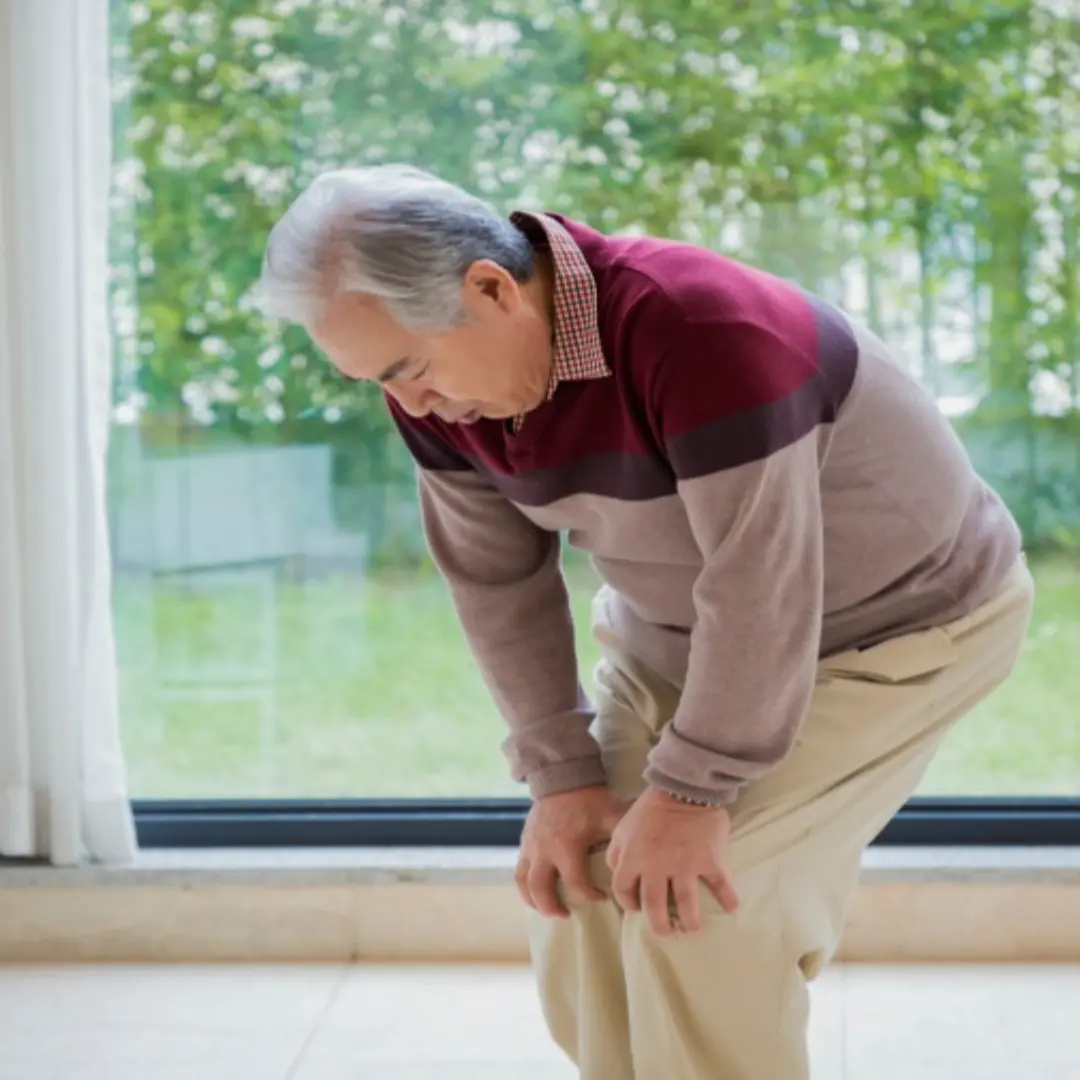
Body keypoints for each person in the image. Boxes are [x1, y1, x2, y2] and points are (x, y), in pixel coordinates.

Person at [258, 164, 1034, 1079]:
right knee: (581, 883)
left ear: (492, 289)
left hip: (897, 630)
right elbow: (496, 583)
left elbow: (761, 587)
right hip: (680, 634)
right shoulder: (445, 398)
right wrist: (562, 777)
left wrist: (692, 794)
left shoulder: (704, 333)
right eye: (378, 384)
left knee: (694, 908)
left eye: (410, 370)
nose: (410, 406)